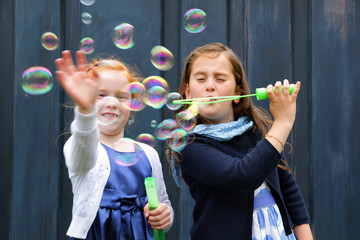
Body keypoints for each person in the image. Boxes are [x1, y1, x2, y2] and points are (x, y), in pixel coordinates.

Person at [169, 43, 313, 240]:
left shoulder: (257, 132)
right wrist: (283, 122)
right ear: (188, 93)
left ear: (238, 92)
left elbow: (289, 190)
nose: (210, 85)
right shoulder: (189, 144)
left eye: (220, 78)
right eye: (201, 79)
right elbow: (242, 176)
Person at [55, 50, 173, 239]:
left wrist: (165, 215)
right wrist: (85, 111)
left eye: (121, 96)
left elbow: (162, 202)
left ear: (133, 105)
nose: (111, 102)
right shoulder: (81, 147)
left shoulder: (148, 153)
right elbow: (83, 153)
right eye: (100, 95)